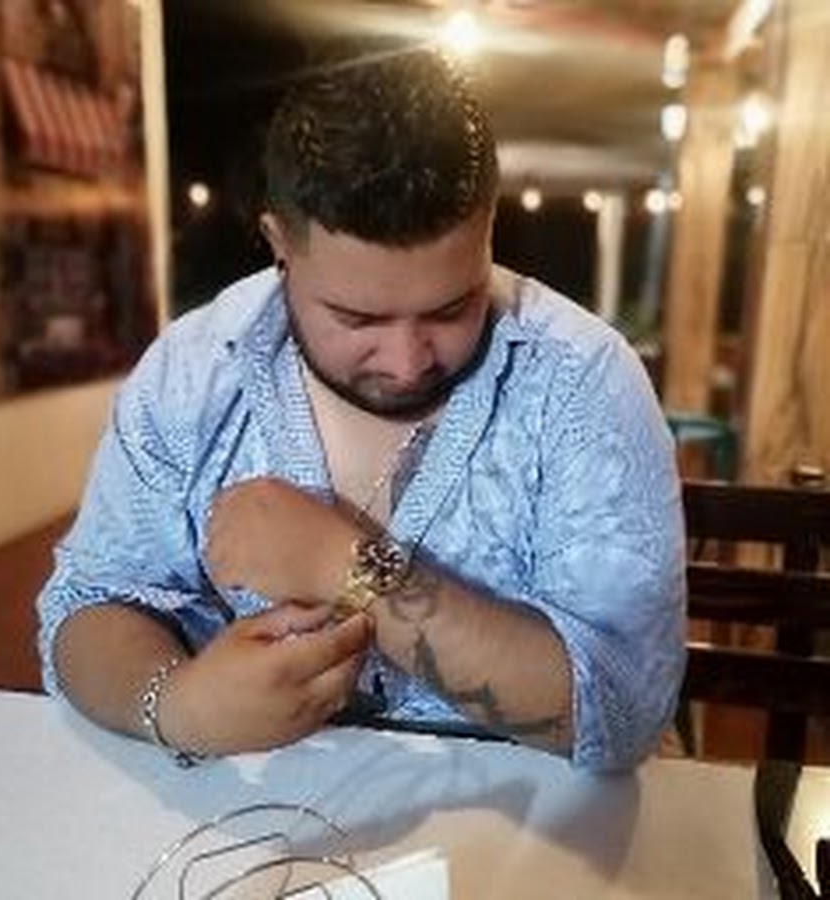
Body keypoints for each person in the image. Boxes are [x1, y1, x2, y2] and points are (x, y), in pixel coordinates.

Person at [37, 43, 685, 772]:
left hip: (534, 821)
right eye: (357, 319)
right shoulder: (193, 372)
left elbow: (624, 711)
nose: (408, 362)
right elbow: (85, 604)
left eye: (452, 307)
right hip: (255, 813)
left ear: (488, 231)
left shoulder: (581, 379)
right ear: (278, 243)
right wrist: (178, 703)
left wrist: (346, 566)